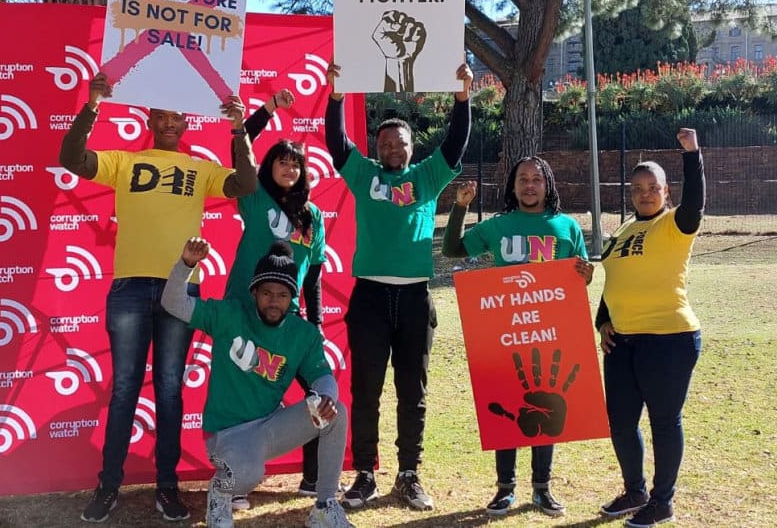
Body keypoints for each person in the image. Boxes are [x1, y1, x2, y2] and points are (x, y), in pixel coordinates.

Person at [59, 73, 257, 523]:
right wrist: (92, 105)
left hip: (180, 290)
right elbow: (71, 157)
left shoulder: (201, 168)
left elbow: (245, 184)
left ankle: (167, 489)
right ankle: (108, 487)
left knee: (169, 391)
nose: (170, 122)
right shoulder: (124, 162)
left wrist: (239, 126)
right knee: (126, 389)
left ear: (186, 123)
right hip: (129, 288)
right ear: (149, 119)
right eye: (162, 115)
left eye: (177, 116)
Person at [324, 62, 472, 510]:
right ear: (377, 147)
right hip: (368, 296)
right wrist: (334, 97)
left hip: (413, 298)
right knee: (365, 389)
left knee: (413, 390)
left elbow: (454, 142)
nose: (392, 147)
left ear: (411, 146)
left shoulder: (426, 177)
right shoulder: (364, 174)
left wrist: (462, 98)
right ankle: (365, 473)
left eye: (400, 141)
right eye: (385, 142)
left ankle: (409, 474)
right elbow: (336, 144)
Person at [160, 238, 352, 528]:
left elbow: (322, 376)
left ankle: (325, 507)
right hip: (226, 435)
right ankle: (220, 494)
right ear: (255, 293)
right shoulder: (229, 315)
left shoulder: (303, 333)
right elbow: (173, 303)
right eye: (267, 293)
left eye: (283, 294)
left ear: (292, 297)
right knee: (247, 477)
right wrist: (186, 264)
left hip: (270, 427)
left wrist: (326, 395)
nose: (274, 301)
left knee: (335, 413)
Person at [442, 158, 594, 517]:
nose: (529, 185)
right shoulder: (498, 227)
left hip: (550, 333)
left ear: (548, 185)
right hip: (505, 332)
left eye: (536, 180)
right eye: (522, 179)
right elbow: (452, 250)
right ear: (512, 186)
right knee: (508, 406)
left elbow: (580, 276)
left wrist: (586, 273)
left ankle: (542, 488)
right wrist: (460, 206)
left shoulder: (567, 227)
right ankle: (504, 489)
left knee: (548, 402)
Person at [221, 89, 343, 508]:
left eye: (296, 162)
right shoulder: (254, 197)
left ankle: (314, 480)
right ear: (269, 166)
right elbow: (242, 148)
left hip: (290, 321)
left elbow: (314, 275)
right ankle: (234, 481)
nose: (289, 167)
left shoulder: (313, 217)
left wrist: (316, 325)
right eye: (281, 160)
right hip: (243, 313)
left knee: (319, 395)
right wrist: (267, 109)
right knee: (245, 395)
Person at [595, 128, 705, 528]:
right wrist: (602, 321)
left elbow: (695, 201)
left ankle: (663, 500)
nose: (645, 193)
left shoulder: (675, 224)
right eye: (638, 187)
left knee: (663, 420)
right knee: (621, 421)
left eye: (652, 187)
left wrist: (692, 155)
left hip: (669, 340)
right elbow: (613, 279)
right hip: (622, 342)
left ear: (665, 191)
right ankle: (635, 490)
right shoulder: (624, 228)